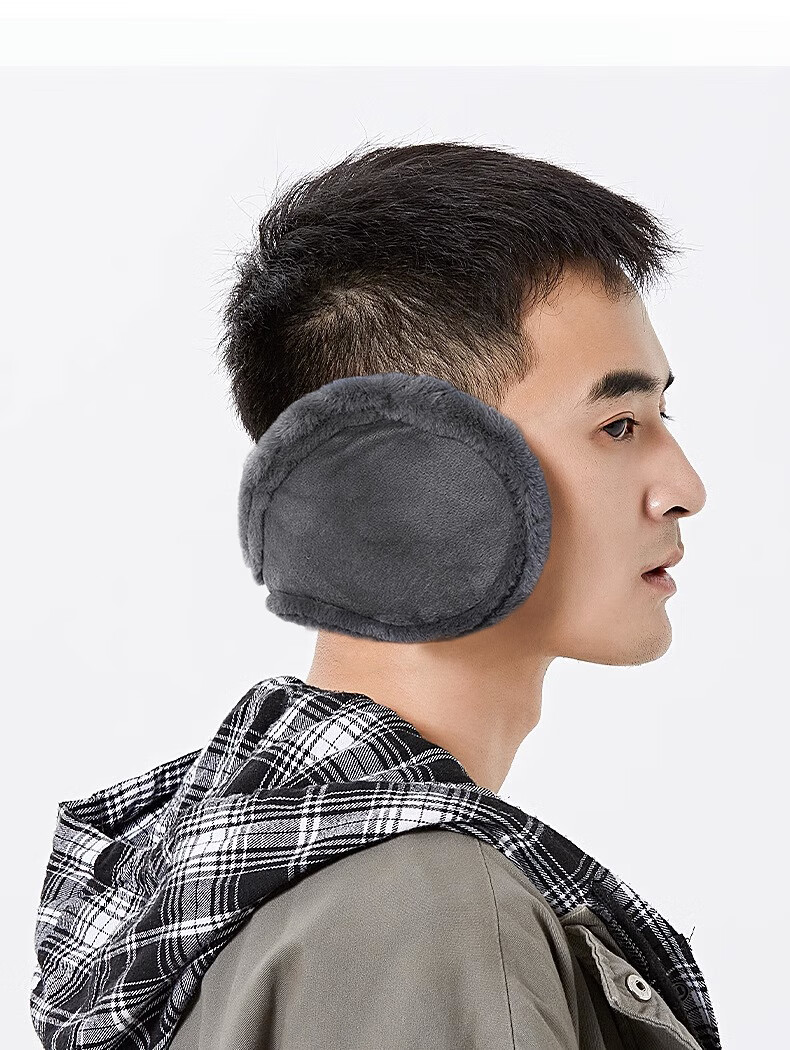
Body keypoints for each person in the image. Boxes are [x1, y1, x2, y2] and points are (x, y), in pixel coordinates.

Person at [30, 141, 720, 1050]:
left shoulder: (283, 882)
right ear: (403, 476)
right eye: (619, 424)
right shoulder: (434, 916)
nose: (684, 487)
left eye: (664, 416)